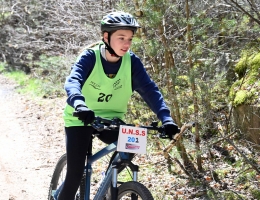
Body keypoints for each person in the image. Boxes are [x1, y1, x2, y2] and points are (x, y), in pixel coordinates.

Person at [55, 11, 179, 200]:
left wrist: (166, 118)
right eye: (121, 38)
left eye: (129, 38)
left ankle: (106, 186)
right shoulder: (90, 57)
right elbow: (73, 82)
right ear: (106, 37)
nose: (126, 44)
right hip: (81, 117)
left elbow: (149, 90)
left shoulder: (132, 62)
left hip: (111, 121)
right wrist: (79, 104)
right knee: (75, 175)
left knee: (133, 143)